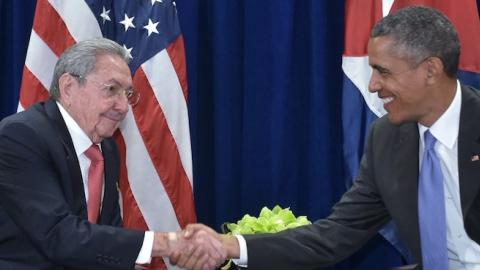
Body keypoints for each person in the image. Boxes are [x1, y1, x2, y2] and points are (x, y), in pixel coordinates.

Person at [172, 6, 480, 270]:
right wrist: (230, 246)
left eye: (384, 72)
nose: (373, 86)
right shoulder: (387, 138)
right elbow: (337, 233)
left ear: (431, 69)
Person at [0, 37, 226, 269]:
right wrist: (166, 243)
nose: (123, 106)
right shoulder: (21, 137)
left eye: (127, 94)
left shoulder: (105, 147)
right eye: (111, 90)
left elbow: (105, 233)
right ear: (68, 87)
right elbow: (58, 235)